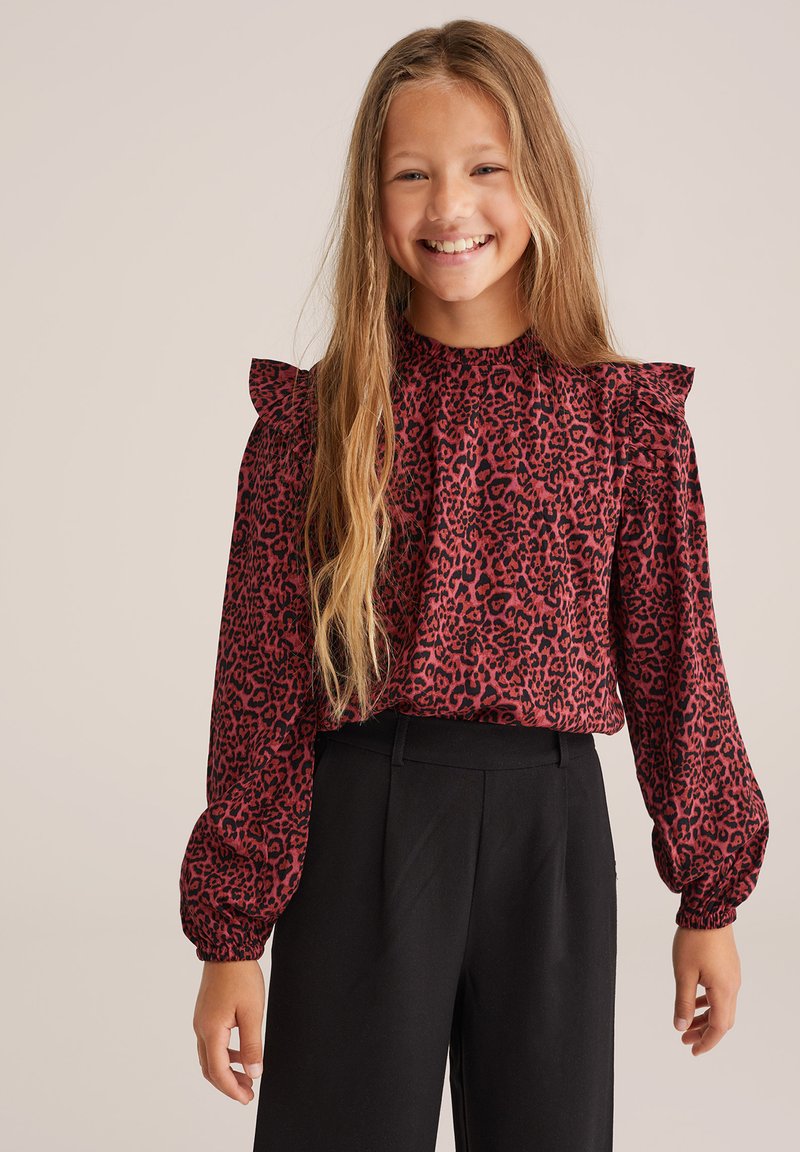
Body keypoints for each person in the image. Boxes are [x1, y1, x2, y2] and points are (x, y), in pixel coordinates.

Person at [178, 19, 770, 1152]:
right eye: (412, 174)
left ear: (538, 178)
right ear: (371, 198)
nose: (449, 207)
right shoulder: (319, 424)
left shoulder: (622, 422)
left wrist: (710, 895)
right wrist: (230, 935)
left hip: (552, 830)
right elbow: (259, 685)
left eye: (484, 167)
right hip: (362, 820)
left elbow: (675, 667)